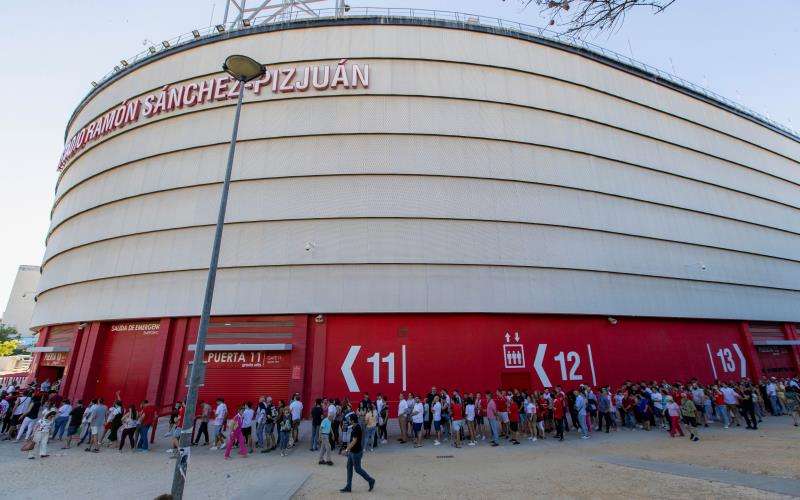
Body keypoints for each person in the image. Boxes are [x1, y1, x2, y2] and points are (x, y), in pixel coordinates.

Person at [340, 413, 376, 493]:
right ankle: (348, 486)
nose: (348, 420)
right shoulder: (355, 426)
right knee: (349, 467)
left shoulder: (356, 428)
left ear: (352, 420)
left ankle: (371, 480)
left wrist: (346, 450)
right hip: (352, 452)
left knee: (358, 469)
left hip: (356, 452)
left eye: (349, 419)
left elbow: (354, 441)